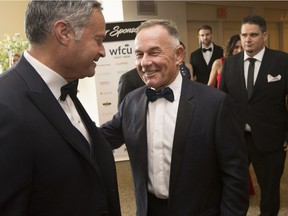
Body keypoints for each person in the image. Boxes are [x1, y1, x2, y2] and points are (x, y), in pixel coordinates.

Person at [101, 19, 249, 216]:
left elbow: (235, 174)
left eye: (154, 52)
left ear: (178, 55)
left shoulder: (215, 104)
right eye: (139, 54)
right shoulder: (131, 102)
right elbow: (99, 139)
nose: (145, 62)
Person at [0, 1, 121, 215]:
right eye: (98, 40)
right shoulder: (5, 103)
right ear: (64, 33)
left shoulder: (63, 87)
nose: (103, 51)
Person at [220, 15, 288, 216]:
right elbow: (222, 101)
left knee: (269, 190)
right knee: (234, 188)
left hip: (271, 140)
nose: (247, 39)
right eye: (244, 35)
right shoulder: (230, 64)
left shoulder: (282, 61)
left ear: (264, 36)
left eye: (253, 35)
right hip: (236, 139)